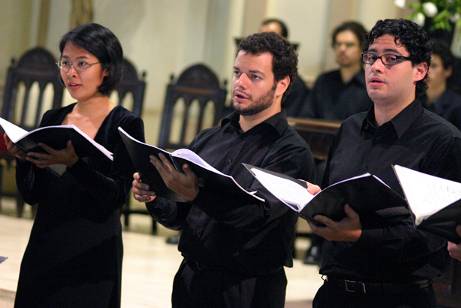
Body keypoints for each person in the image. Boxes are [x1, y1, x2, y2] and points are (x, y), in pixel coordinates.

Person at [132, 32, 315, 308]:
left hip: (246, 288)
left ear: (281, 85)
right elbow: (181, 218)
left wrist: (197, 194)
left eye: (254, 76)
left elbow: (256, 218)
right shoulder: (210, 138)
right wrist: (156, 195)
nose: (239, 83)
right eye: (237, 72)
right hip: (191, 280)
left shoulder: (291, 151)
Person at [307, 19, 461, 308]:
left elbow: (435, 237)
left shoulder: (444, 139)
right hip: (334, 291)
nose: (375, 66)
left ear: (420, 70)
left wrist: (360, 236)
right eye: (371, 57)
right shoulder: (349, 129)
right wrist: (319, 202)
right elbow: (337, 197)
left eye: (391, 58)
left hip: (399, 296)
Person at [6, 23, 144, 308]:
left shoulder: (126, 124)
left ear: (105, 69)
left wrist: (74, 165)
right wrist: (23, 161)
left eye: (82, 63)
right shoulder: (52, 117)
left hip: (92, 252)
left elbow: (117, 197)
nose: (71, 72)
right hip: (46, 243)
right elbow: (32, 195)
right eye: (65, 63)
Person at [306, 21, 372, 120]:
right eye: (338, 44)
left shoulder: (370, 85)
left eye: (349, 45)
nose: (342, 49)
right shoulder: (323, 81)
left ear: (362, 49)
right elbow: (306, 118)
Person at [259, 18, 311, 117]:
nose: (263, 43)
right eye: (260, 37)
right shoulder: (252, 77)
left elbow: (290, 121)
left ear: (283, 42)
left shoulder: (295, 85)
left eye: (270, 38)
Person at [424, 41, 461, 129]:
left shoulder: (457, 107)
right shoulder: (413, 99)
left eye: (433, 66)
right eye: (424, 65)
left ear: (447, 71)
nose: (426, 71)